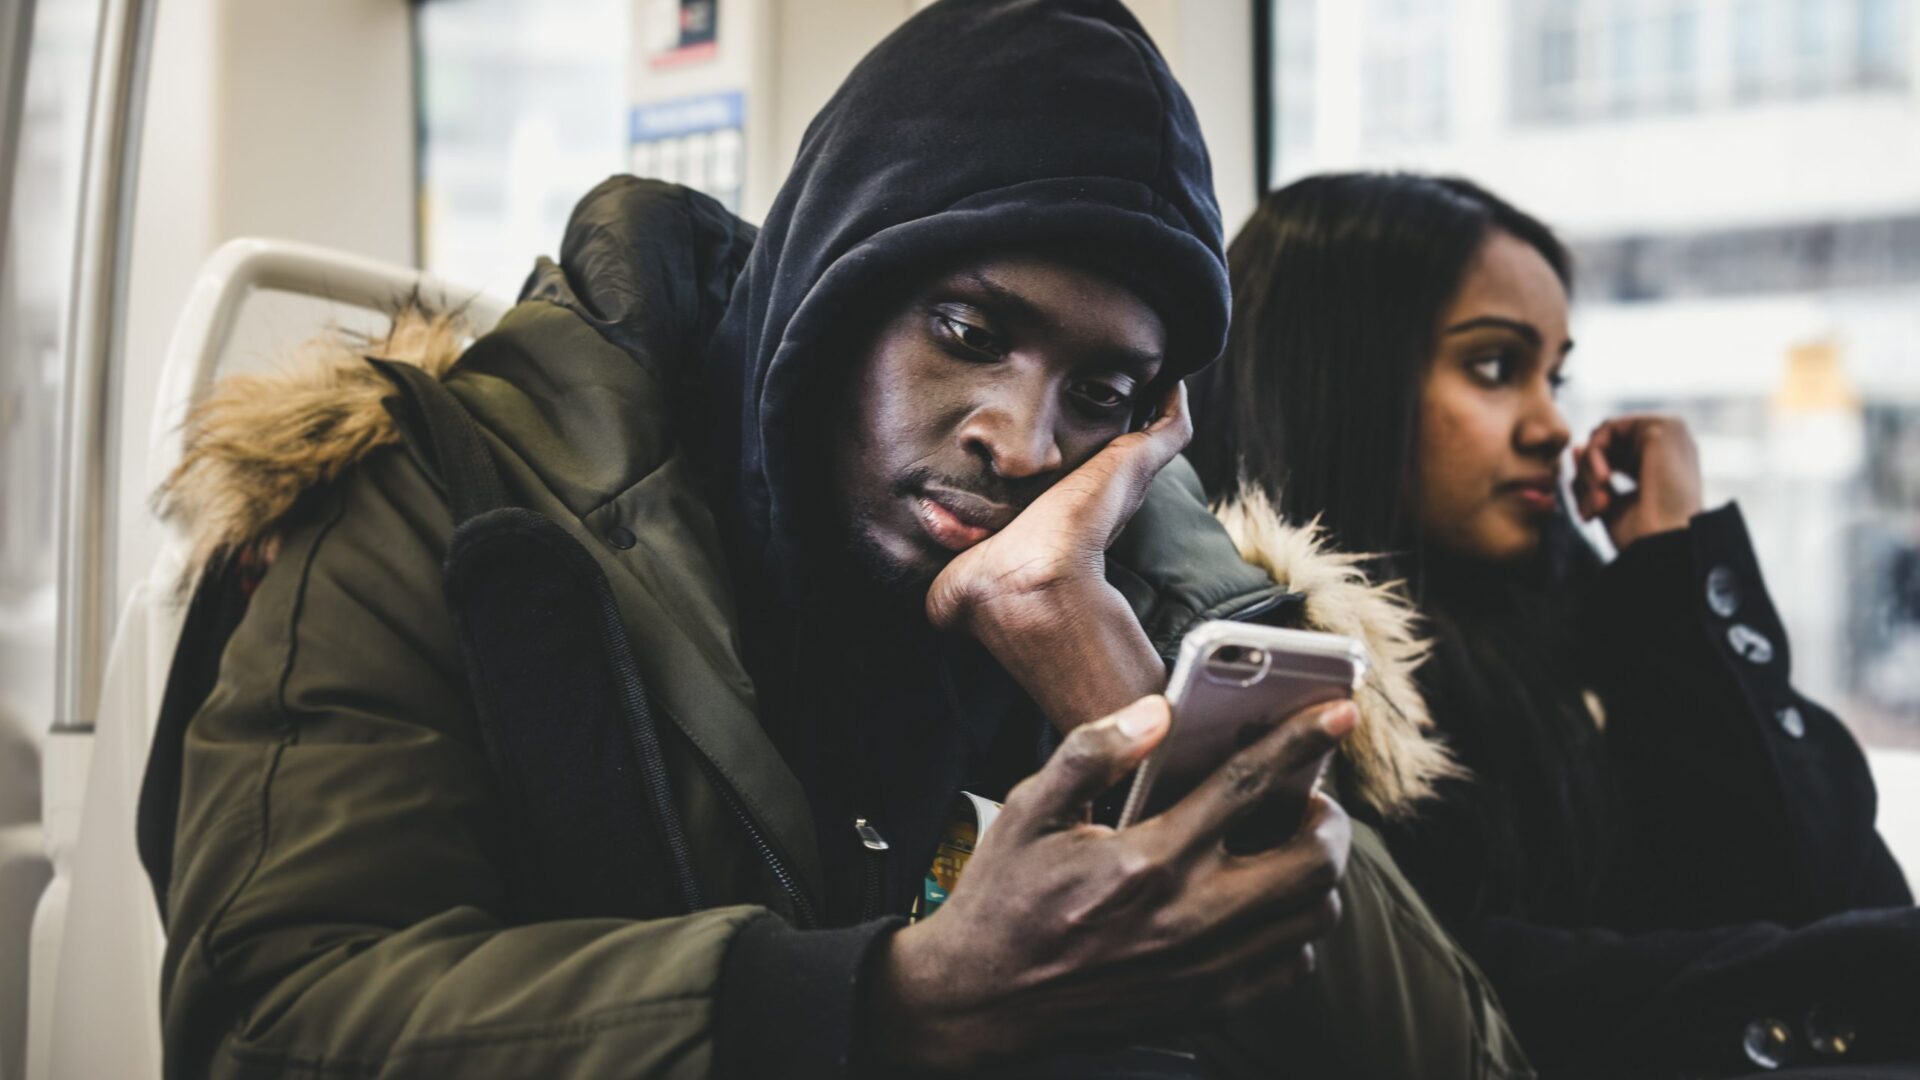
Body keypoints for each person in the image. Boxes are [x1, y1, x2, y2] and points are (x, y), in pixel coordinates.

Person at [144, 8, 1528, 1079]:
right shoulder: (439, 497)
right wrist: (886, 1004)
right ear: (829, 294)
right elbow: (269, 1019)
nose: (1020, 437)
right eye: (968, 333)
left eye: (1101, 392)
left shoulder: (1129, 574)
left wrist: (1130, 702)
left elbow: (1461, 1058)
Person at [1187, 170, 1920, 1078]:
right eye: (1495, 367)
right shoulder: (1279, 665)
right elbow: (1477, 984)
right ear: (1338, 370)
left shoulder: (1571, 624)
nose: (1553, 426)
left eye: (1555, 375)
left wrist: (1668, 569)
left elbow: (1812, 873)